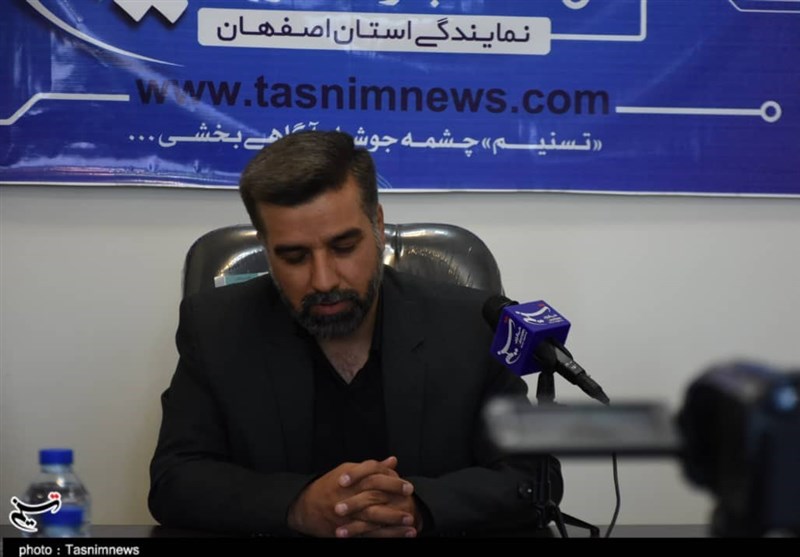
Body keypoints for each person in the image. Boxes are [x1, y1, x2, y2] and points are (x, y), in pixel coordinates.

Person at [148, 130, 563, 538]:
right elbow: (175, 479)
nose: (324, 280)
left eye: (344, 247)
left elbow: (532, 479)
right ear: (266, 247)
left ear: (377, 225)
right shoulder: (217, 327)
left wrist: (418, 508)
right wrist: (296, 506)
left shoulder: (473, 325)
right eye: (294, 256)